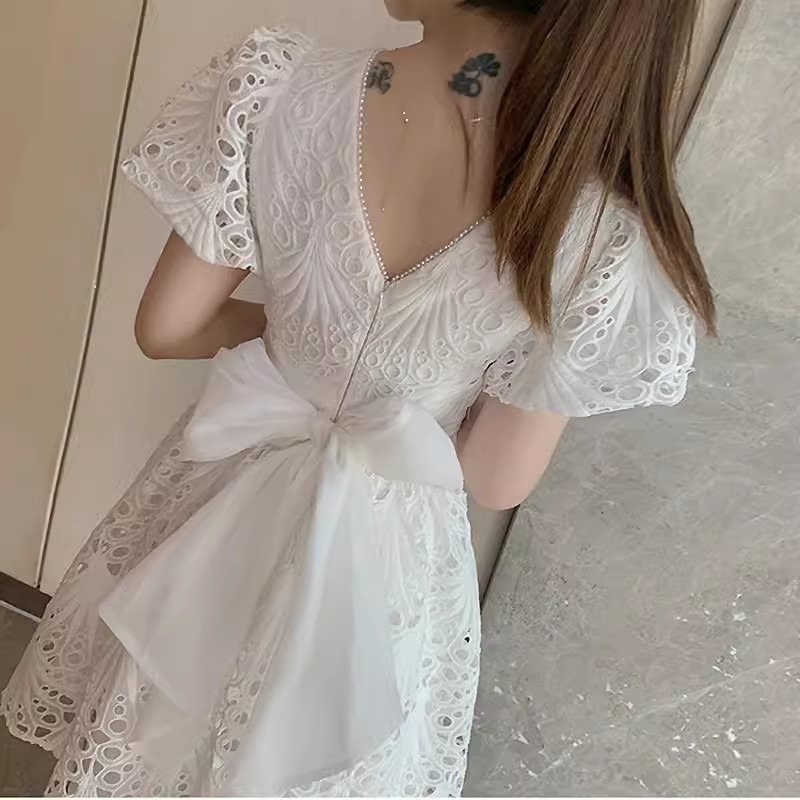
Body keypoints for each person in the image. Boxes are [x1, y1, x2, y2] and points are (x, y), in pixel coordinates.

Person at [2, 0, 715, 795]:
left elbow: (169, 327)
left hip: (220, 492)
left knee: (154, 715)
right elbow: (495, 476)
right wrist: (406, 383)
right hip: (390, 559)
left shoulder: (277, 85)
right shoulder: (603, 234)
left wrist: (306, 346)